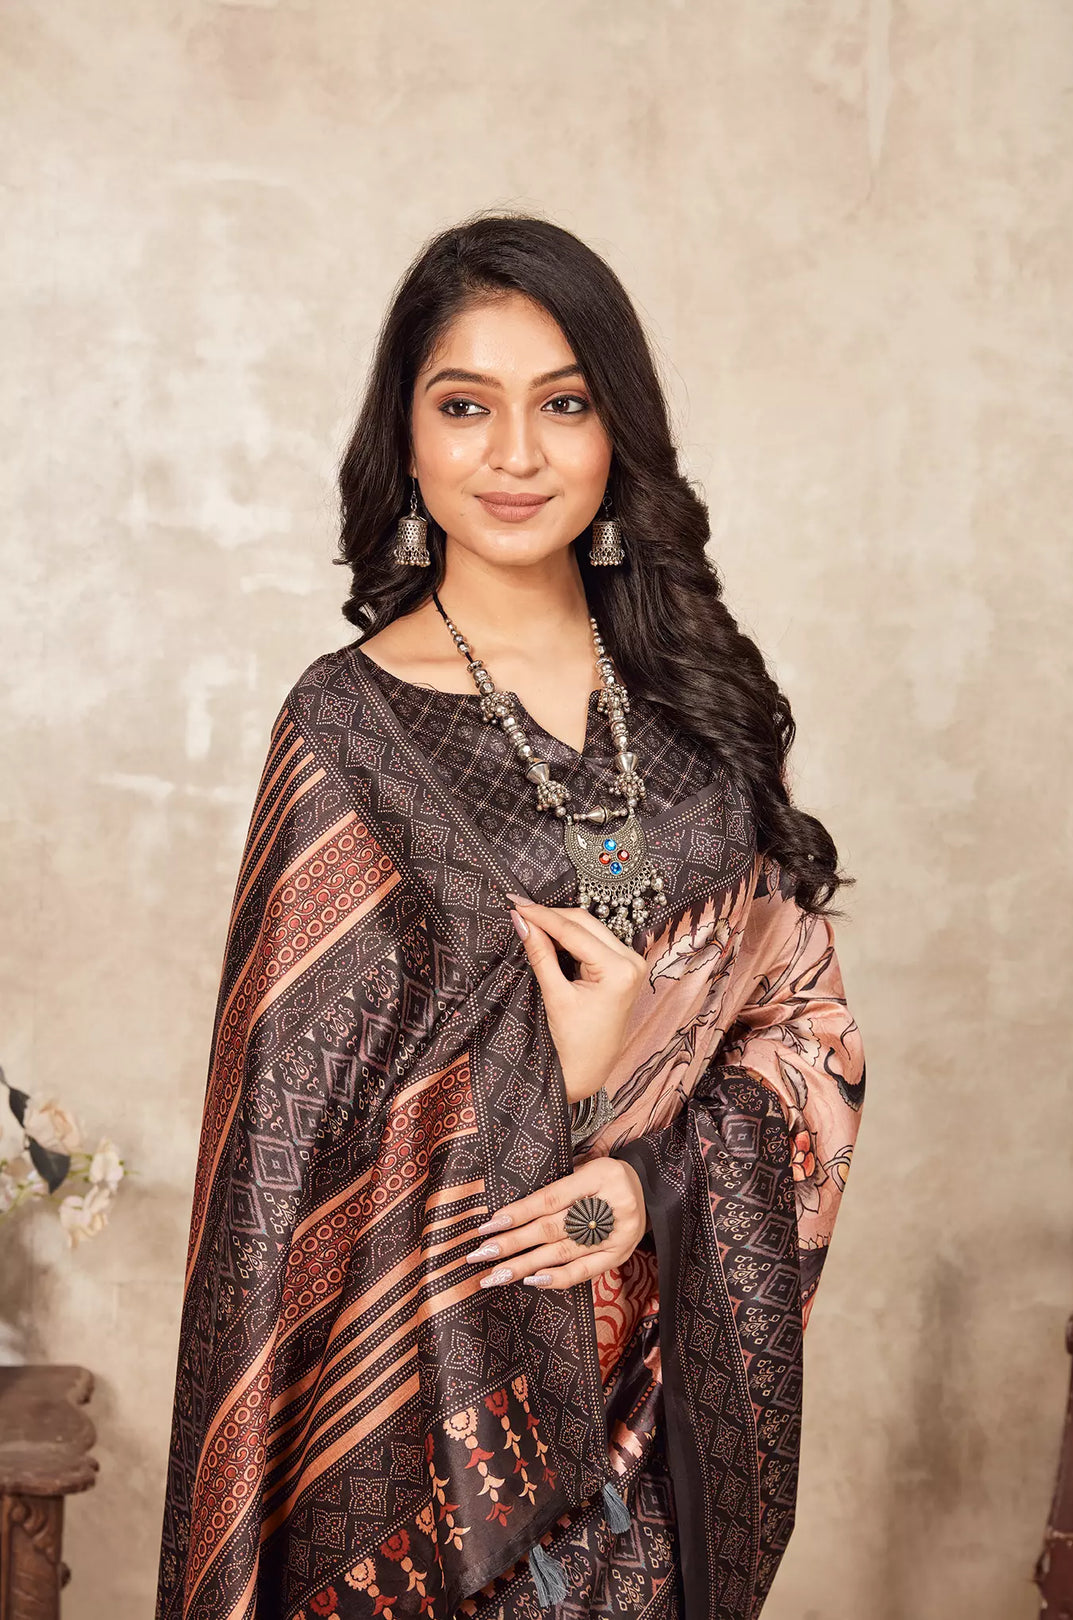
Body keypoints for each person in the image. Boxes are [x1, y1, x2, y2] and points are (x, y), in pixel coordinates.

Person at [155, 212, 865, 1620]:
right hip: (411, 1429)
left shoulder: (700, 715)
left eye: (564, 404)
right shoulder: (343, 729)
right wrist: (584, 1073)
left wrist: (637, 1180)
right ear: (406, 443)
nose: (517, 456)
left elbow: (805, 1029)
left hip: (652, 1427)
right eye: (465, 406)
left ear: (619, 436)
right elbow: (290, 1152)